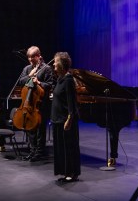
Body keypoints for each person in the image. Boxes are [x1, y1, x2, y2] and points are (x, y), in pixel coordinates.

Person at [19, 46, 53, 162]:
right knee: (30, 128)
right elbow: (20, 81)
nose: (30, 59)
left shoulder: (46, 68)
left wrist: (38, 82)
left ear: (38, 56)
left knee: (40, 129)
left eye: (33, 57)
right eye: (29, 57)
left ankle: (39, 152)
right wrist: (30, 75)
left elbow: (49, 84)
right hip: (29, 104)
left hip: (41, 104)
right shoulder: (27, 68)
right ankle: (32, 151)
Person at [51, 52, 80, 183]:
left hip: (65, 120)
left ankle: (71, 172)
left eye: (55, 62)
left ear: (62, 65)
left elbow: (71, 103)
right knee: (61, 148)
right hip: (58, 119)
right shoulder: (60, 79)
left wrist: (69, 119)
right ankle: (65, 171)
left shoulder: (68, 80)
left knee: (68, 147)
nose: (53, 64)